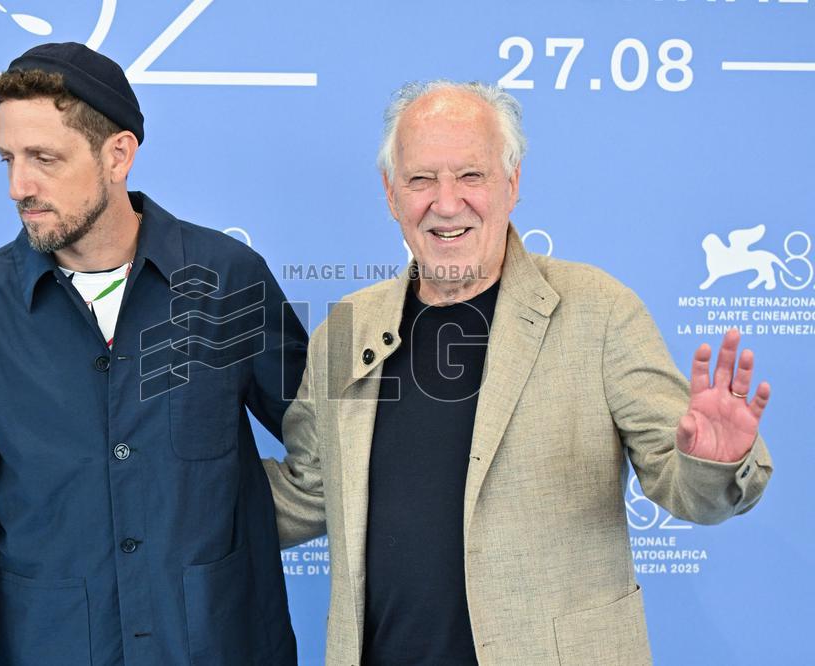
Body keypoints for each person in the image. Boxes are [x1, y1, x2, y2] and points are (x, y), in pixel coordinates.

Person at [263, 80, 773, 665]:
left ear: (512, 183)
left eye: (471, 176)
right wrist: (168, 487)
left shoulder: (599, 310)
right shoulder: (348, 329)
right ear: (391, 193)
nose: (446, 202)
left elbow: (689, 489)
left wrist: (712, 461)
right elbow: (308, 491)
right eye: (421, 179)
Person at [0, 42, 307, 665]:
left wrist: (246, 516)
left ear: (117, 154)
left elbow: (337, 439)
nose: (19, 185)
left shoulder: (229, 279)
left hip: (217, 645)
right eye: (8, 158)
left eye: (44, 158)